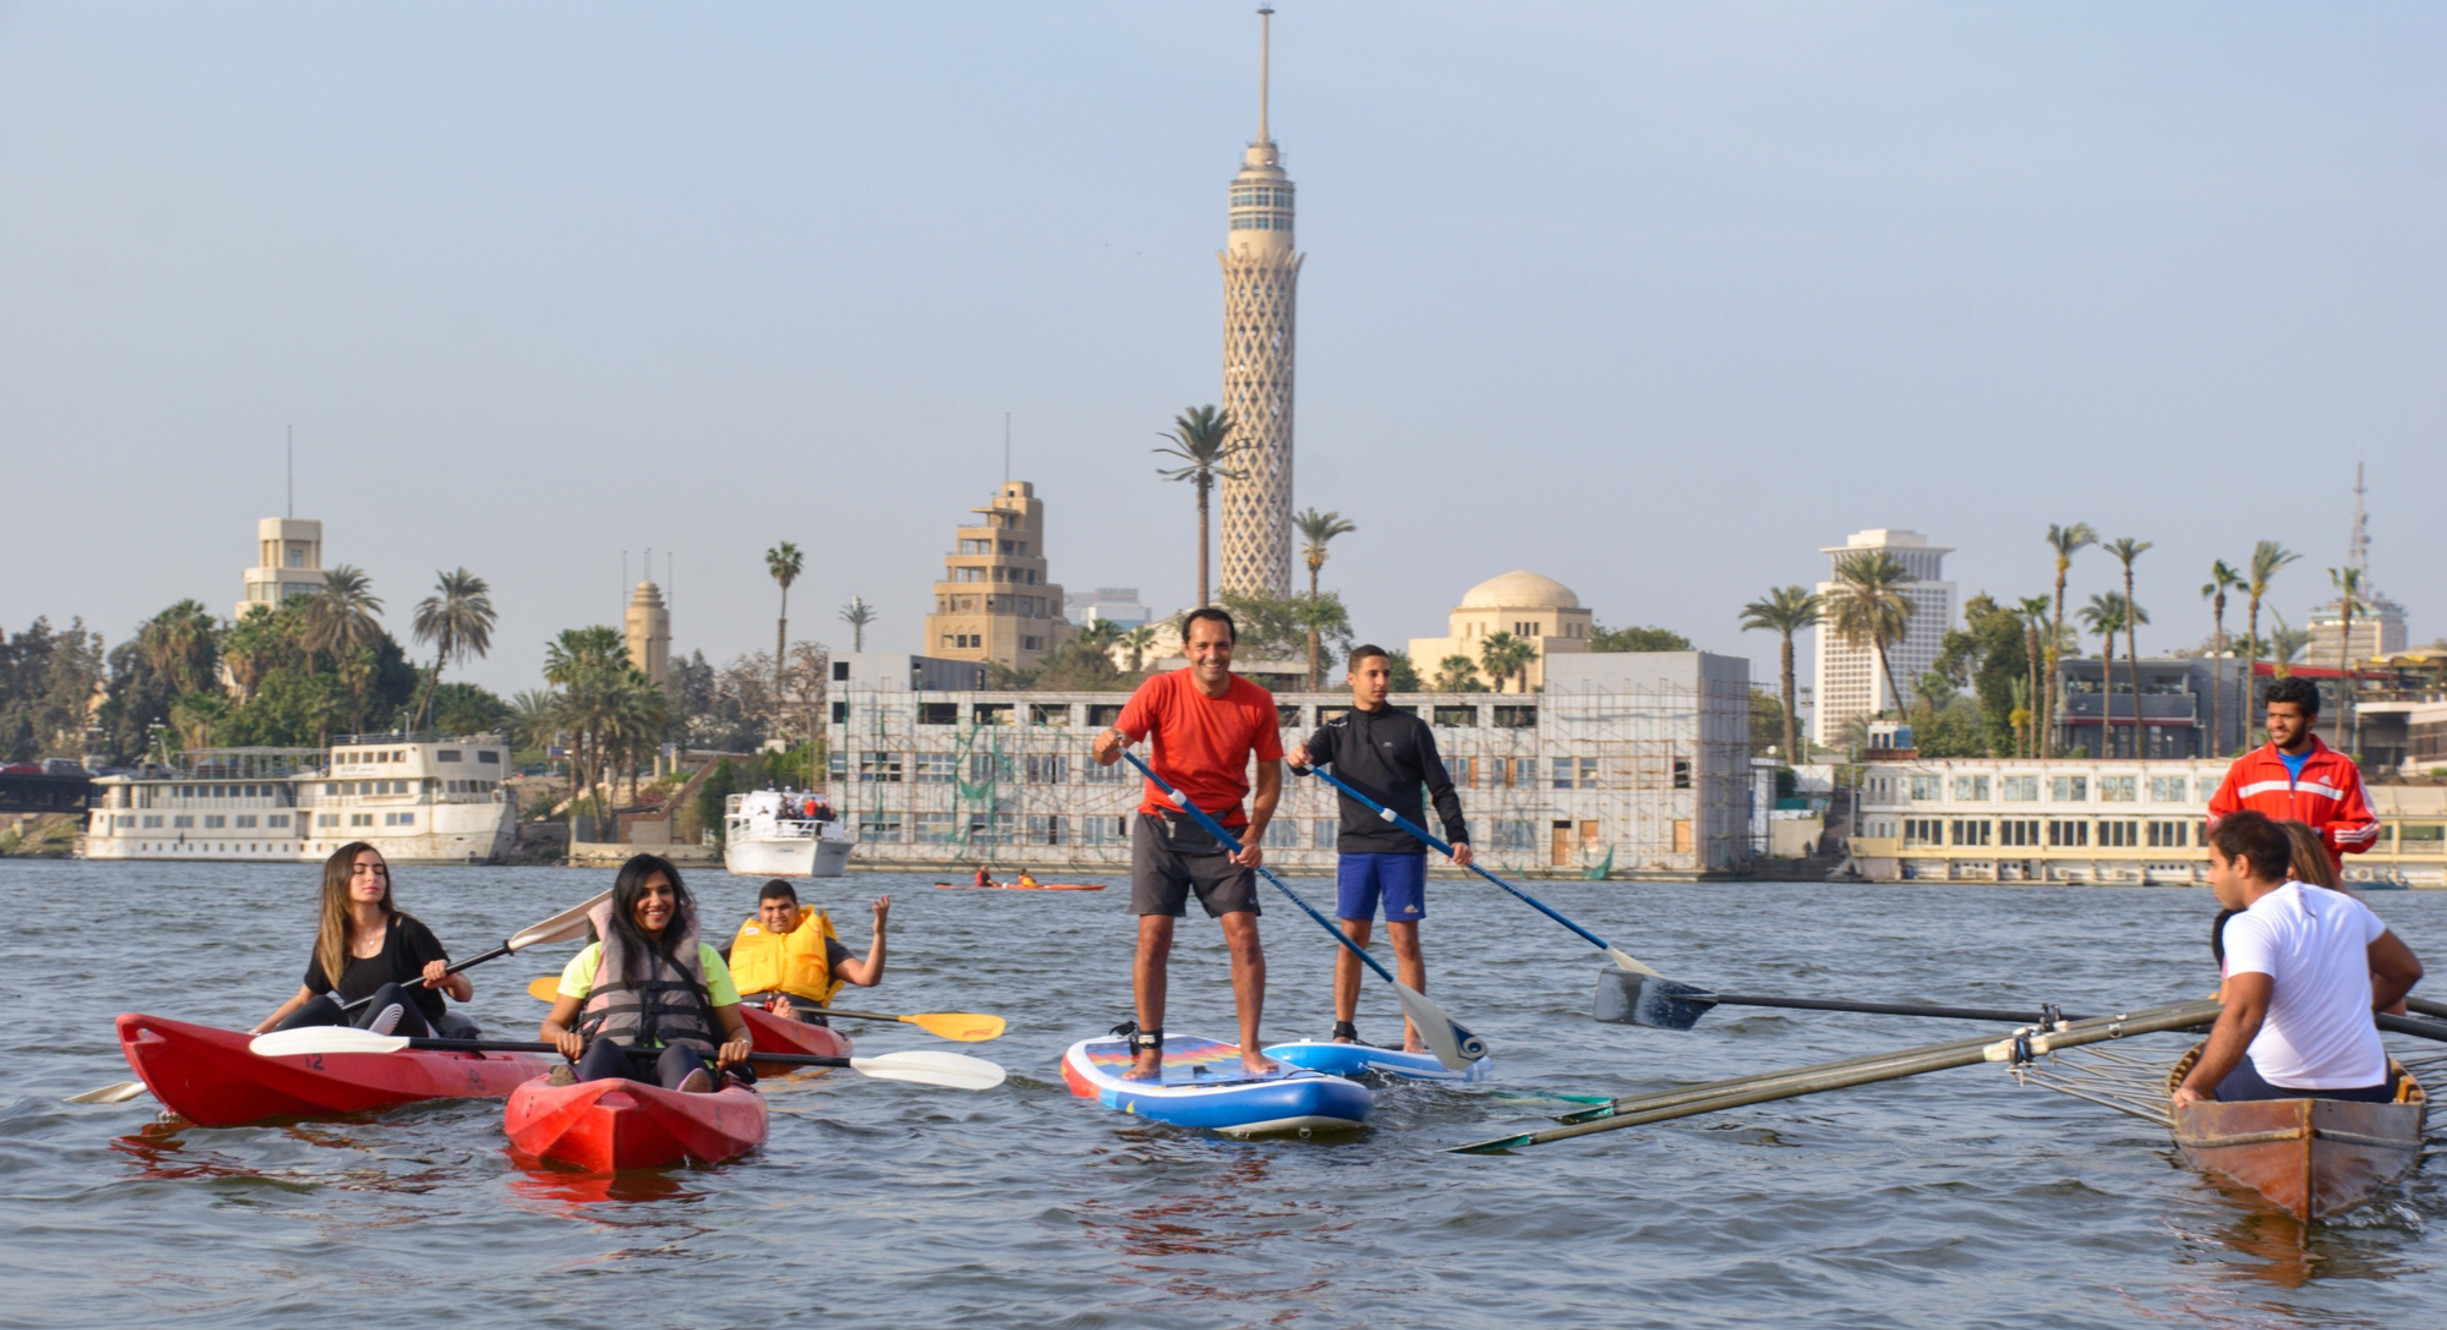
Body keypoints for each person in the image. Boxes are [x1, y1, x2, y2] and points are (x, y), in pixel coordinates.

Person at [1091, 606, 1283, 1080]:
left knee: (1244, 936)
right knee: (1154, 936)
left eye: (1220, 645)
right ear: (1187, 649)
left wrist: (1254, 836)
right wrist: (1107, 744)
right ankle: (1151, 1052)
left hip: (1226, 832)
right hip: (1161, 825)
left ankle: (1251, 1050)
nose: (1212, 655)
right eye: (1202, 646)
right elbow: (1110, 750)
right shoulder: (1159, 689)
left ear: (1232, 649)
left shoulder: (1257, 701)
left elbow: (1271, 779)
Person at [1287, 644, 1471, 1052]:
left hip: (1403, 848)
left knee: (1405, 942)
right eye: (1373, 674)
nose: (1381, 682)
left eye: (1386, 673)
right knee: (1352, 939)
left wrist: (1457, 835)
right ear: (1352, 678)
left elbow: (1441, 787)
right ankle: (1343, 1032)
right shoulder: (1334, 731)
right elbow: (1302, 763)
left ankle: (1413, 1039)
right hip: (1355, 849)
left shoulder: (1411, 729)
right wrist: (1297, 758)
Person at [2175, 810, 2422, 1108]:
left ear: (2241, 865)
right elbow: (2406, 970)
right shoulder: (2345, 906)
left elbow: (2244, 1016)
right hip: (2369, 1089)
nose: (2210, 877)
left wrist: (2193, 1086)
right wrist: (2359, 1013)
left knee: (2209, 1064)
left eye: (2213, 865)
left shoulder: (2248, 924)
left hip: (2277, 1089)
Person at [540, 854, 755, 1092]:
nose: (656, 901)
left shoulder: (706, 957)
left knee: (679, 1053)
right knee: (601, 1049)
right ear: (625, 900)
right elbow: (552, 1025)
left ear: (676, 896)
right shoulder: (593, 957)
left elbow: (736, 1028)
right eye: (643, 893)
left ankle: (689, 1098)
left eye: (664, 891)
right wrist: (563, 1038)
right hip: (614, 1064)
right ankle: (579, 1094)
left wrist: (739, 1044)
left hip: (682, 1068)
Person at [252, 842, 475, 1039]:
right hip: (365, 1039)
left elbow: (465, 994)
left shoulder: (408, 931)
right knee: (321, 1005)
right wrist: (257, 1034)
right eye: (360, 871)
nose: (372, 877)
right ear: (339, 881)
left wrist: (450, 978)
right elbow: (302, 1001)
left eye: (379, 872)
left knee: (391, 994)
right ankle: (264, 1053)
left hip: (421, 1039)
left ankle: (355, 1050)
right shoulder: (331, 944)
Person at [2207, 676, 2379, 876]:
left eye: (2287, 716)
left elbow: (2367, 829)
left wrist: (2321, 835)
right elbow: (2217, 820)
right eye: (2272, 715)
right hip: (2261, 886)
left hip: (2317, 886)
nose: (2277, 724)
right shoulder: (2245, 767)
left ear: (2311, 719)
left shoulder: (2341, 768)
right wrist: (2253, 843)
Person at [727, 879, 888, 1022]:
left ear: (796, 908)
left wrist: (879, 933)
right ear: (760, 913)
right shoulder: (742, 942)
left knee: (788, 1014)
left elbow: (868, 978)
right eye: (769, 909)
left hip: (801, 1014)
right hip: (749, 1012)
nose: (777, 915)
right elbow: (704, 965)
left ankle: (779, 1023)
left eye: (784, 907)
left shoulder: (821, 943)